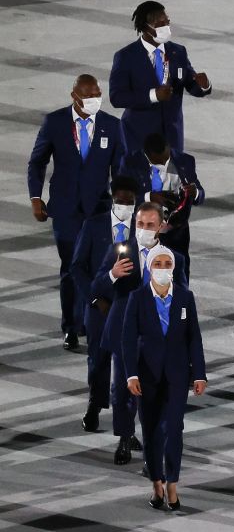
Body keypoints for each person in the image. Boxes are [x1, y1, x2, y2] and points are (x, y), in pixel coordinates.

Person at [28, 74, 125, 351]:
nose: (95, 99)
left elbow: (119, 170)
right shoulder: (55, 122)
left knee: (99, 267)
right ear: (75, 96)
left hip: (99, 210)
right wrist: (36, 197)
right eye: (88, 95)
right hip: (66, 210)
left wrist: (122, 204)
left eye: (98, 94)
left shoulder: (111, 126)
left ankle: (93, 320)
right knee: (71, 268)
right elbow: (37, 162)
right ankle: (71, 327)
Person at [91, 202, 187, 465]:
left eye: (150, 225)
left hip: (158, 337)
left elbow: (183, 299)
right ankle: (124, 438)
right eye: (140, 224)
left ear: (161, 226)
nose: (144, 230)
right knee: (122, 390)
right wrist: (112, 274)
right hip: (124, 334)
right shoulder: (120, 252)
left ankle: (152, 453)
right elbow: (94, 287)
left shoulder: (174, 258)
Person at [123, 245, 206, 511]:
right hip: (146, 376)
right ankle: (156, 483)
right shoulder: (137, 298)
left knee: (174, 429)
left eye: (166, 264)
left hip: (177, 374)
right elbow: (127, 339)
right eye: (156, 264)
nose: (162, 269)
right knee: (150, 431)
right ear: (149, 269)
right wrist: (131, 374)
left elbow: (194, 337)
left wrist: (200, 373)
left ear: (173, 268)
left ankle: (172, 483)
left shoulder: (185, 297)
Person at [71, 176, 139, 432]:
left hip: (129, 308)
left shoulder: (140, 228)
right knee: (98, 359)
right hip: (98, 306)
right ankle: (95, 404)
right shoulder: (93, 226)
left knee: (130, 365)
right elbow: (77, 268)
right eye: (120, 201)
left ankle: (127, 425)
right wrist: (95, 299)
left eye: (129, 202)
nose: (125, 205)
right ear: (112, 199)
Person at [109, 0, 211, 155]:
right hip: (139, 138)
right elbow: (117, 98)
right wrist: (153, 95)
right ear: (145, 27)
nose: (166, 27)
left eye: (167, 22)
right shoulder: (126, 56)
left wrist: (204, 86)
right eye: (159, 24)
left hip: (172, 137)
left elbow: (191, 83)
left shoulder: (178, 52)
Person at [119, 132, 204, 280]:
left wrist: (195, 192)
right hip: (143, 232)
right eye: (160, 162)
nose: (165, 164)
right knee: (141, 276)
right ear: (147, 155)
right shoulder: (130, 162)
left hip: (176, 233)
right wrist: (149, 197)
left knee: (179, 277)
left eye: (167, 158)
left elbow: (200, 196)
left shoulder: (185, 161)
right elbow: (122, 197)